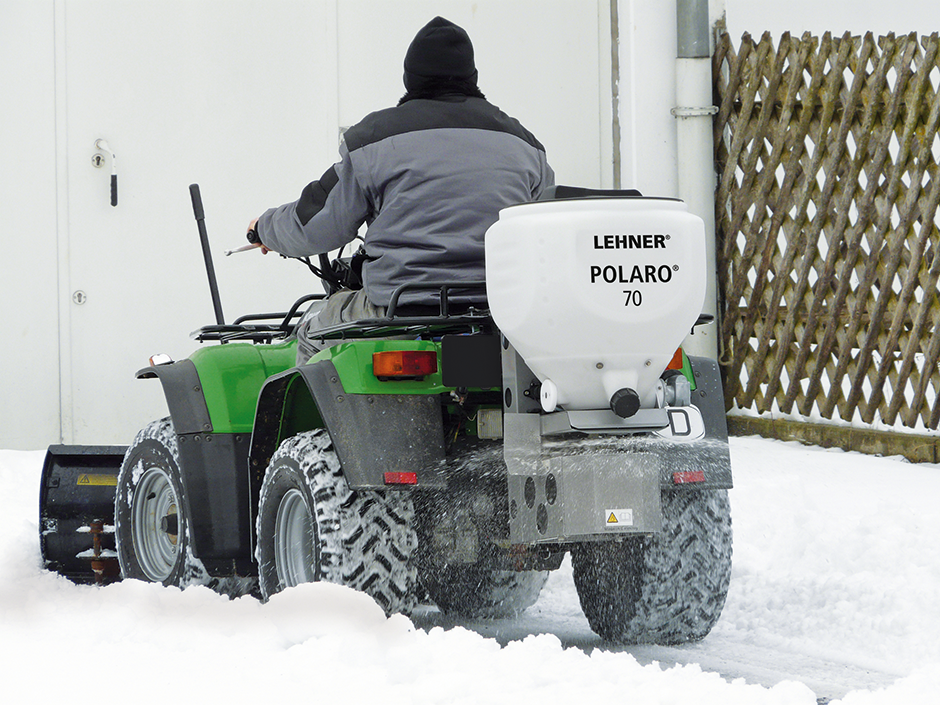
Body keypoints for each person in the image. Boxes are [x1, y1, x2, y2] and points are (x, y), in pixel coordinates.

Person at [248, 16, 554, 363]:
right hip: (499, 313)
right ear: (473, 78)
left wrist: (265, 229)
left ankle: (316, 420)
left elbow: (316, 223)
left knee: (312, 330)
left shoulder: (375, 138)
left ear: (410, 78)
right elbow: (546, 235)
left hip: (399, 308)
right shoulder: (526, 146)